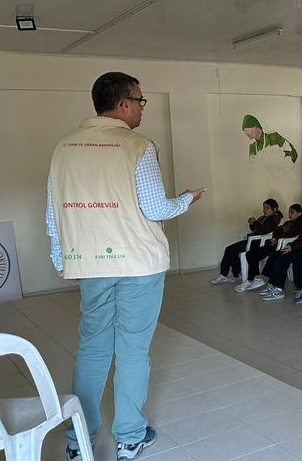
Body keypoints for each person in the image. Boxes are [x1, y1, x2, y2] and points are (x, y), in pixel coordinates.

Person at [46, 72, 205, 460]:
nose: (141, 108)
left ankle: (79, 442)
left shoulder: (64, 147)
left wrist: (59, 258)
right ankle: (131, 437)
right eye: (140, 100)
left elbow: (53, 213)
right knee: (133, 350)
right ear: (123, 104)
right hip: (138, 264)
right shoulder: (137, 146)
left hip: (91, 263)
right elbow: (155, 209)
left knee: (92, 350)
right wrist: (185, 200)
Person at [213, 199, 282, 284]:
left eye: (267, 208)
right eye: (263, 208)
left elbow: (264, 230)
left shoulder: (274, 219)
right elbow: (255, 229)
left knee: (232, 250)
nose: (264, 210)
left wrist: (255, 222)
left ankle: (236, 274)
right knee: (229, 249)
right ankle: (226, 274)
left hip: (258, 243)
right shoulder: (262, 217)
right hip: (252, 240)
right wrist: (251, 223)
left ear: (274, 209)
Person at [242, 203, 302, 295]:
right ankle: (258, 277)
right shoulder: (288, 223)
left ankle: (265, 280)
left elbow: (290, 234)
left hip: (286, 245)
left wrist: (278, 239)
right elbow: (277, 230)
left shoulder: (300, 224)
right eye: (289, 212)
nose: (290, 214)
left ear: (299, 214)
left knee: (276, 256)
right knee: (250, 253)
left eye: (292, 212)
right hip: (277, 244)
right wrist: (275, 238)